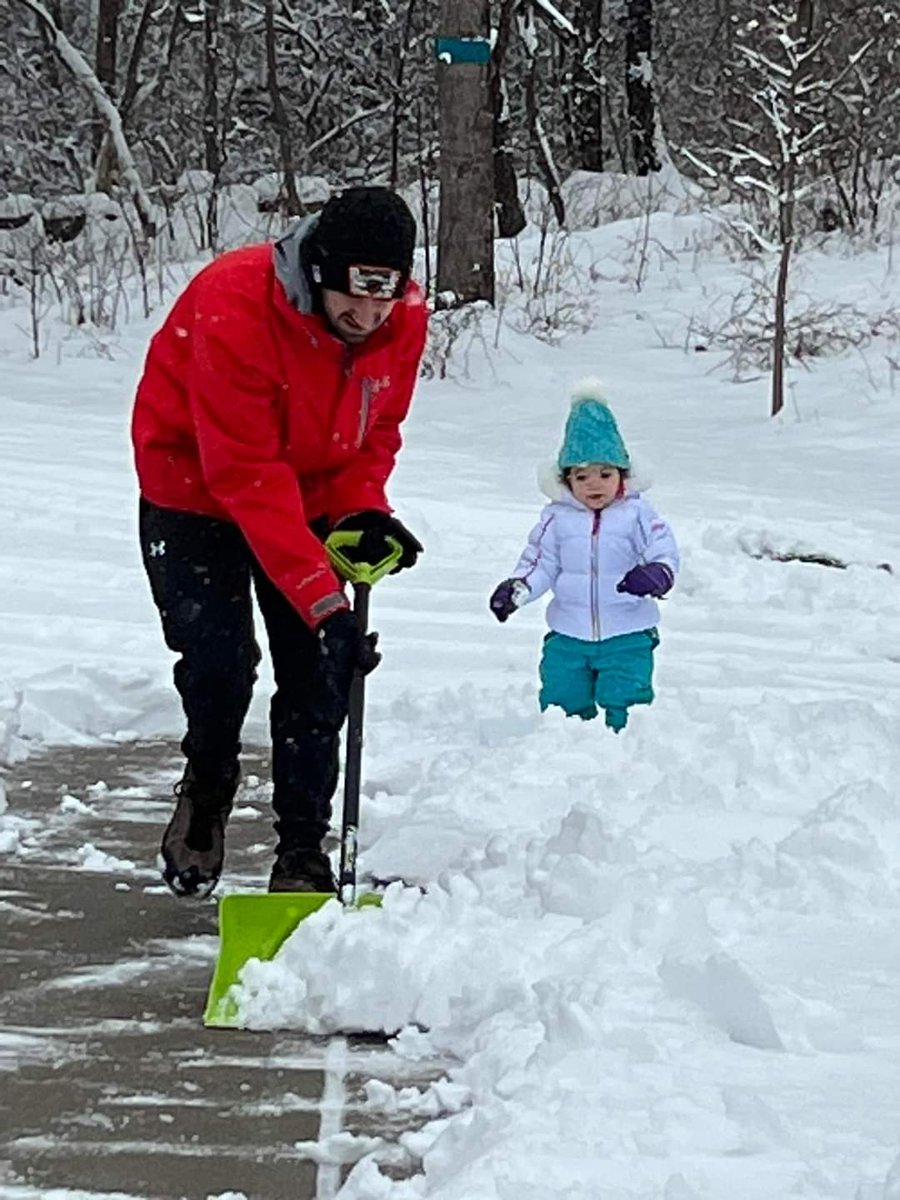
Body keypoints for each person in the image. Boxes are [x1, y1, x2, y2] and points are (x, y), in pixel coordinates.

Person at [131, 186, 428, 898]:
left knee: (316, 674)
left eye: (382, 299)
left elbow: (375, 430)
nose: (366, 319)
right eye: (351, 300)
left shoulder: (400, 321)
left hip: (314, 490)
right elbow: (246, 473)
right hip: (195, 487)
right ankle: (207, 785)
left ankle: (302, 849)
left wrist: (363, 508)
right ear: (317, 276)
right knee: (219, 663)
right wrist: (326, 602)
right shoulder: (234, 303)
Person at [489, 381, 678, 732]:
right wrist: (517, 589)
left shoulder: (637, 514)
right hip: (568, 634)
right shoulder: (556, 519)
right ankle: (564, 754)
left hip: (628, 634)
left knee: (626, 704)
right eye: (582, 476)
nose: (594, 485)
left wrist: (658, 572)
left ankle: (626, 756)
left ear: (622, 475)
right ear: (567, 480)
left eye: (605, 474)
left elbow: (662, 548)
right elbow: (540, 563)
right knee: (562, 702)